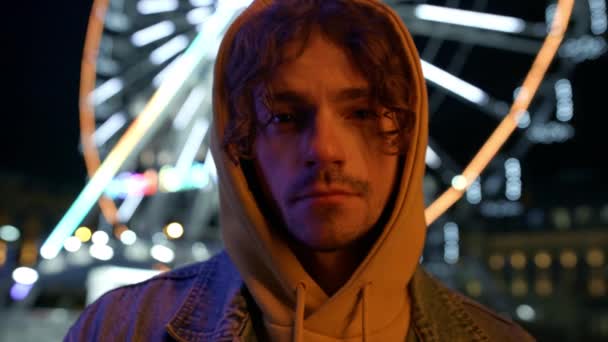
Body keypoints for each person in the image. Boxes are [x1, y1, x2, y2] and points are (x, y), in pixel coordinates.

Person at [66, 0, 535, 340]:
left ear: (409, 138)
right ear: (238, 146)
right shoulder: (117, 330)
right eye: (285, 118)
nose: (325, 149)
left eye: (362, 113)